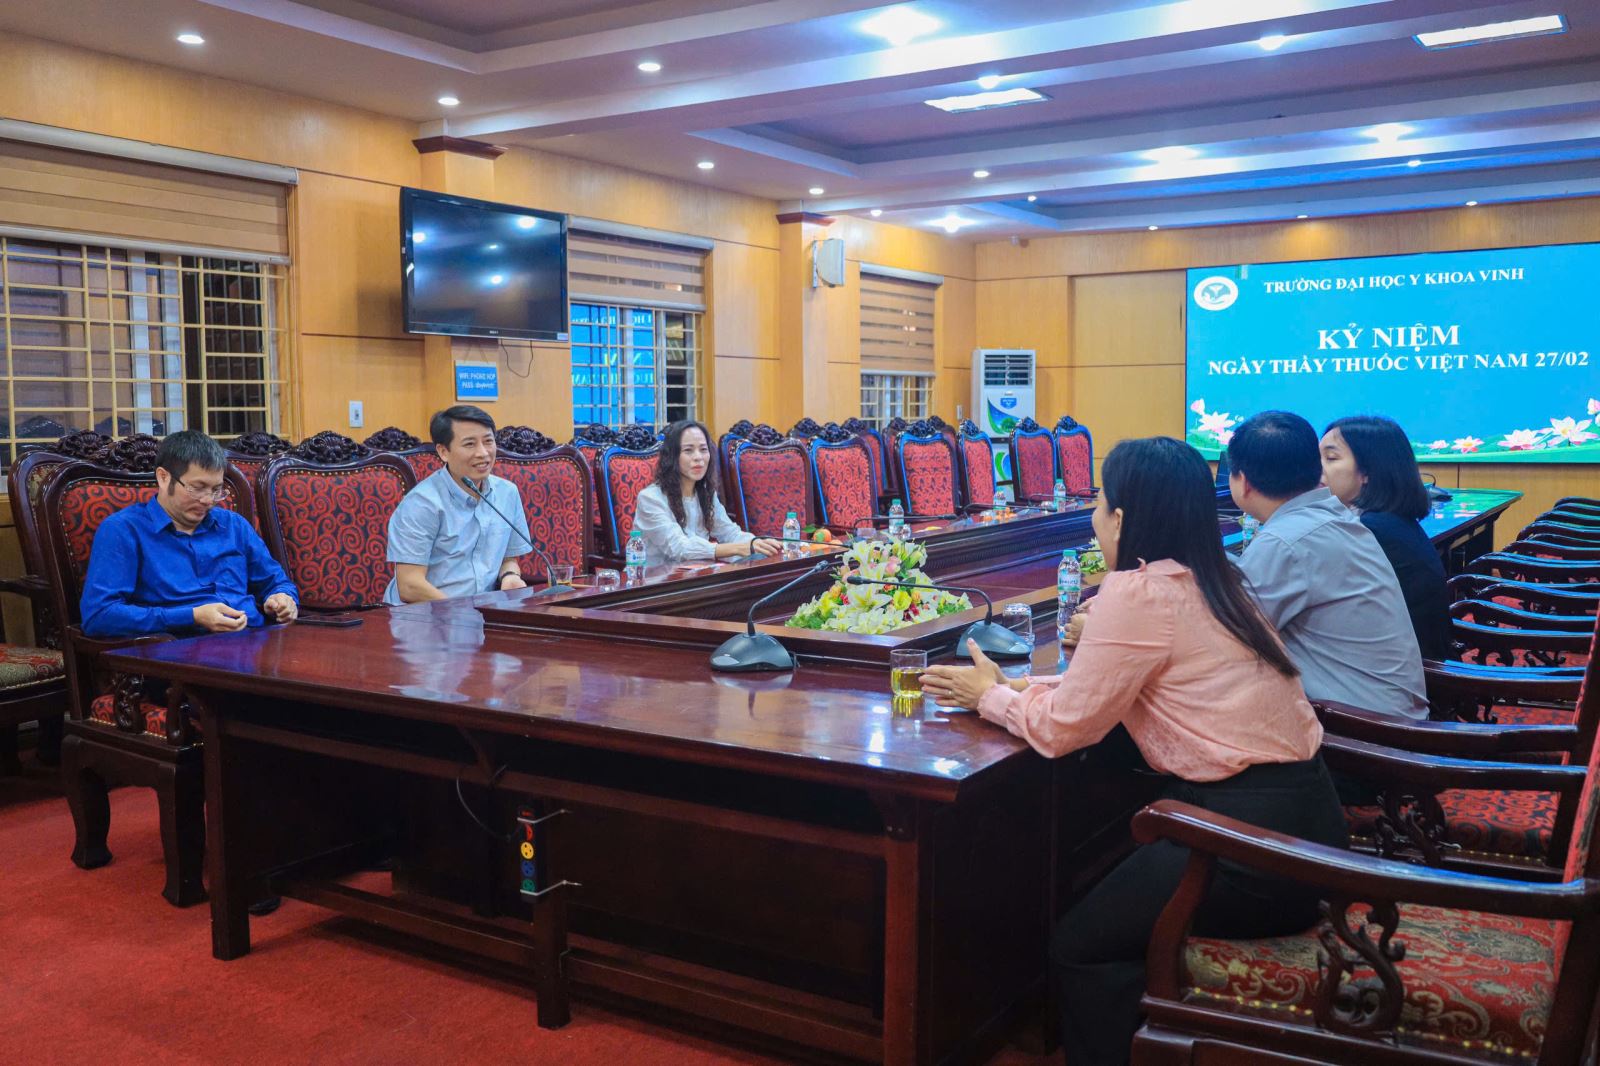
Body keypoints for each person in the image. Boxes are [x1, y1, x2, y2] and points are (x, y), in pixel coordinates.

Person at [920, 436, 1346, 1066]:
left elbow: (1063, 731)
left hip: (1248, 851)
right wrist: (1020, 687)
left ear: (1120, 518)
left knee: (1080, 945)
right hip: (1307, 824)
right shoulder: (1218, 577)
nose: (1094, 517)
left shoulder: (1139, 592)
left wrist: (991, 699)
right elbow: (1120, 681)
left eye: (1099, 502)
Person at [1227, 410, 1429, 720]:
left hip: (1363, 730)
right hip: (1392, 712)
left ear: (1243, 482)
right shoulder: (1336, 518)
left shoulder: (1285, 541)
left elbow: (1235, 638)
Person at [81, 430, 299, 638]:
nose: (208, 500)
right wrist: (192, 616)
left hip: (255, 639)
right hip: (180, 650)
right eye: (197, 488)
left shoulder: (234, 526)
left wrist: (282, 599)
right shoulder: (123, 530)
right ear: (163, 478)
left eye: (216, 490)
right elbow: (99, 616)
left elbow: (277, 582)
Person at [1320, 415, 1450, 660]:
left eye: (1331, 458)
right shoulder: (1386, 520)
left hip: (1404, 671)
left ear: (1367, 471)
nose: (1317, 469)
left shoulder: (1371, 530)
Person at [384, 405, 531, 604]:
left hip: (482, 611)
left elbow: (508, 559)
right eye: (470, 444)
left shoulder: (507, 493)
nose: (483, 453)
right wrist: (461, 611)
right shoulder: (421, 503)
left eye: (488, 441)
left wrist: (510, 576)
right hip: (423, 613)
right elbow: (410, 585)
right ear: (443, 451)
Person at [630, 419, 782, 564]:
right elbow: (679, 548)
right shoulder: (650, 499)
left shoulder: (705, 493)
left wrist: (757, 544)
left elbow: (730, 533)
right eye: (688, 450)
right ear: (672, 457)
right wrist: (738, 548)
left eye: (703, 450)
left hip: (697, 575)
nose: (698, 458)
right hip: (655, 579)